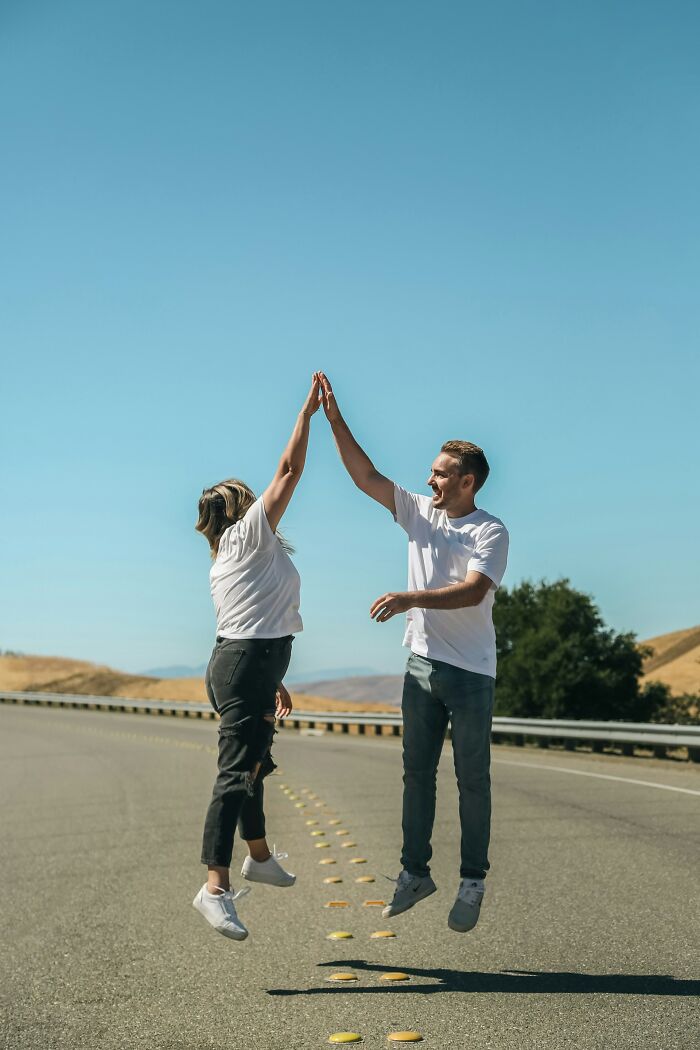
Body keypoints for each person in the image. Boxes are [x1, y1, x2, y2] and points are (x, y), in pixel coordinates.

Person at [318, 372, 509, 932]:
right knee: (415, 774)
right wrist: (334, 419)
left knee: (472, 780)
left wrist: (408, 598)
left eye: (441, 473)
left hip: (472, 672)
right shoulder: (418, 513)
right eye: (431, 471)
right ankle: (414, 873)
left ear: (467, 482)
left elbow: (474, 591)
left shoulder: (489, 532)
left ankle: (472, 879)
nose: (430, 480)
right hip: (421, 666)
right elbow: (366, 476)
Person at [192, 374, 322, 940]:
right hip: (244, 664)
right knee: (233, 775)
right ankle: (214, 887)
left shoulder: (230, 553)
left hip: (243, 664)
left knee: (251, 768)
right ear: (240, 510)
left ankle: (260, 856)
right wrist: (306, 415)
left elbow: (254, 622)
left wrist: (272, 679)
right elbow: (290, 469)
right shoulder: (248, 537)